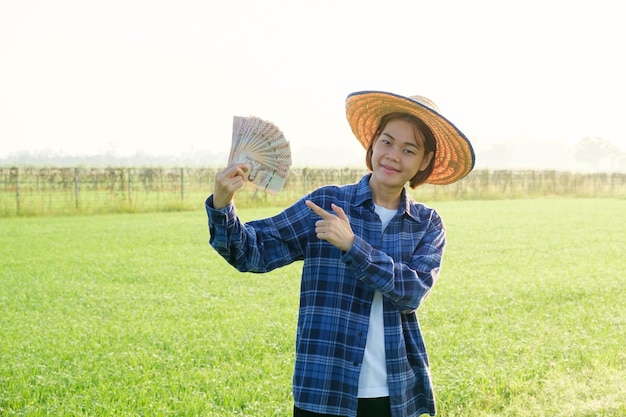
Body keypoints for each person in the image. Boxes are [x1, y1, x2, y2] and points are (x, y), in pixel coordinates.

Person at [205, 91, 475, 417]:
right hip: (323, 389)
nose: (393, 156)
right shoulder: (327, 204)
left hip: (393, 395)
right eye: (387, 142)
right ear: (373, 144)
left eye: (409, 150)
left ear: (425, 161)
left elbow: (412, 292)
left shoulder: (426, 224)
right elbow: (252, 252)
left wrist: (353, 245)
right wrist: (222, 203)